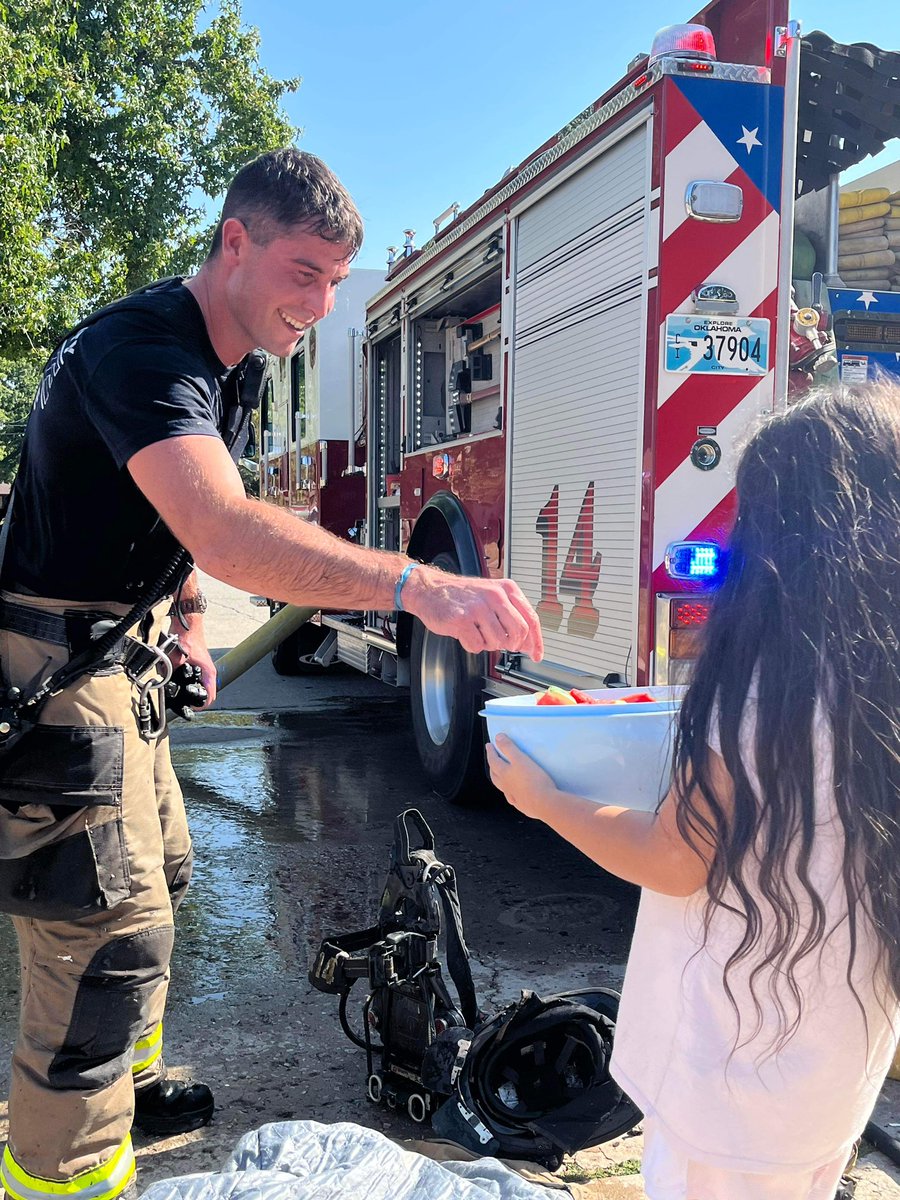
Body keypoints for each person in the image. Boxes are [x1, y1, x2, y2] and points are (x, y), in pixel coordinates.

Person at [0, 148, 544, 1200]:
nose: (324, 303)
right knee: (99, 929)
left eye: (338, 282)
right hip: (55, 659)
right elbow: (225, 526)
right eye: (306, 272)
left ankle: (121, 1095)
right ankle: (57, 1170)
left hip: (125, 651)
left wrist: (192, 623)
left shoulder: (235, 358)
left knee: (162, 876)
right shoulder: (140, 353)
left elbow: (176, 535)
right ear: (235, 243)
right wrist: (420, 587)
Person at [487, 384, 899, 1200]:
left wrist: (545, 800)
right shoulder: (880, 678)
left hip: (734, 1072)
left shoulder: (761, 688)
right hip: (837, 1060)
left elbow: (678, 858)